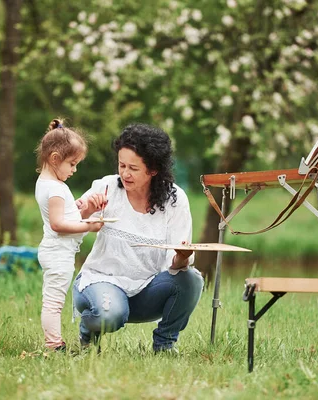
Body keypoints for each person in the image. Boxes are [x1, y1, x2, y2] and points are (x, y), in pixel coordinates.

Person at [73, 123, 204, 353]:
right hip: (102, 282)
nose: (124, 173)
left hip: (146, 290)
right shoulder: (107, 187)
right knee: (111, 313)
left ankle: (164, 345)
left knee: (192, 279)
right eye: (121, 165)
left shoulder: (175, 200)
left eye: (133, 168)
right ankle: (87, 333)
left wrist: (182, 257)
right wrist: (84, 211)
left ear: (153, 170)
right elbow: (69, 225)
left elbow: (177, 264)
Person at [34, 118, 103, 351]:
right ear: (55, 159)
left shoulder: (47, 183)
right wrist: (88, 226)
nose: (74, 170)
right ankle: (54, 345)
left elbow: (64, 214)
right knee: (53, 302)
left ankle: (55, 343)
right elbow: (57, 224)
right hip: (58, 254)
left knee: (55, 301)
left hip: (57, 252)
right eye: (72, 164)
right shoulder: (54, 189)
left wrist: (82, 208)